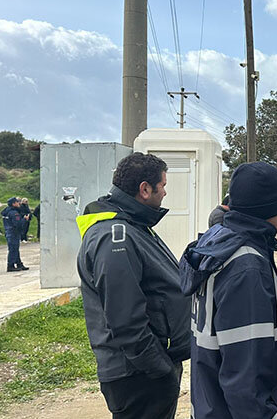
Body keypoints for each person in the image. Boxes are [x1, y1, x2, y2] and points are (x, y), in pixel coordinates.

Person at [180, 162, 277, 419]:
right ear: (276, 207)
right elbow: (245, 381)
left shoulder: (218, 241)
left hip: (211, 404)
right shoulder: (246, 267)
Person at [76, 152, 190, 419]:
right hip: (138, 374)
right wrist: (158, 367)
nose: (164, 193)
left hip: (144, 370)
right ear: (145, 189)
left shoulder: (133, 225)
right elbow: (124, 318)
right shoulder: (115, 235)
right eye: (162, 186)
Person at [1, 197, 29, 271]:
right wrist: (24, 219)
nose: (19, 203)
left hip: (8, 232)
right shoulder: (14, 213)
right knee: (13, 249)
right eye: (17, 202)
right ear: (13, 204)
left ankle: (19, 264)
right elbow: (17, 224)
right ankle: (10, 266)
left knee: (15, 249)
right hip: (14, 232)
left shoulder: (6, 212)